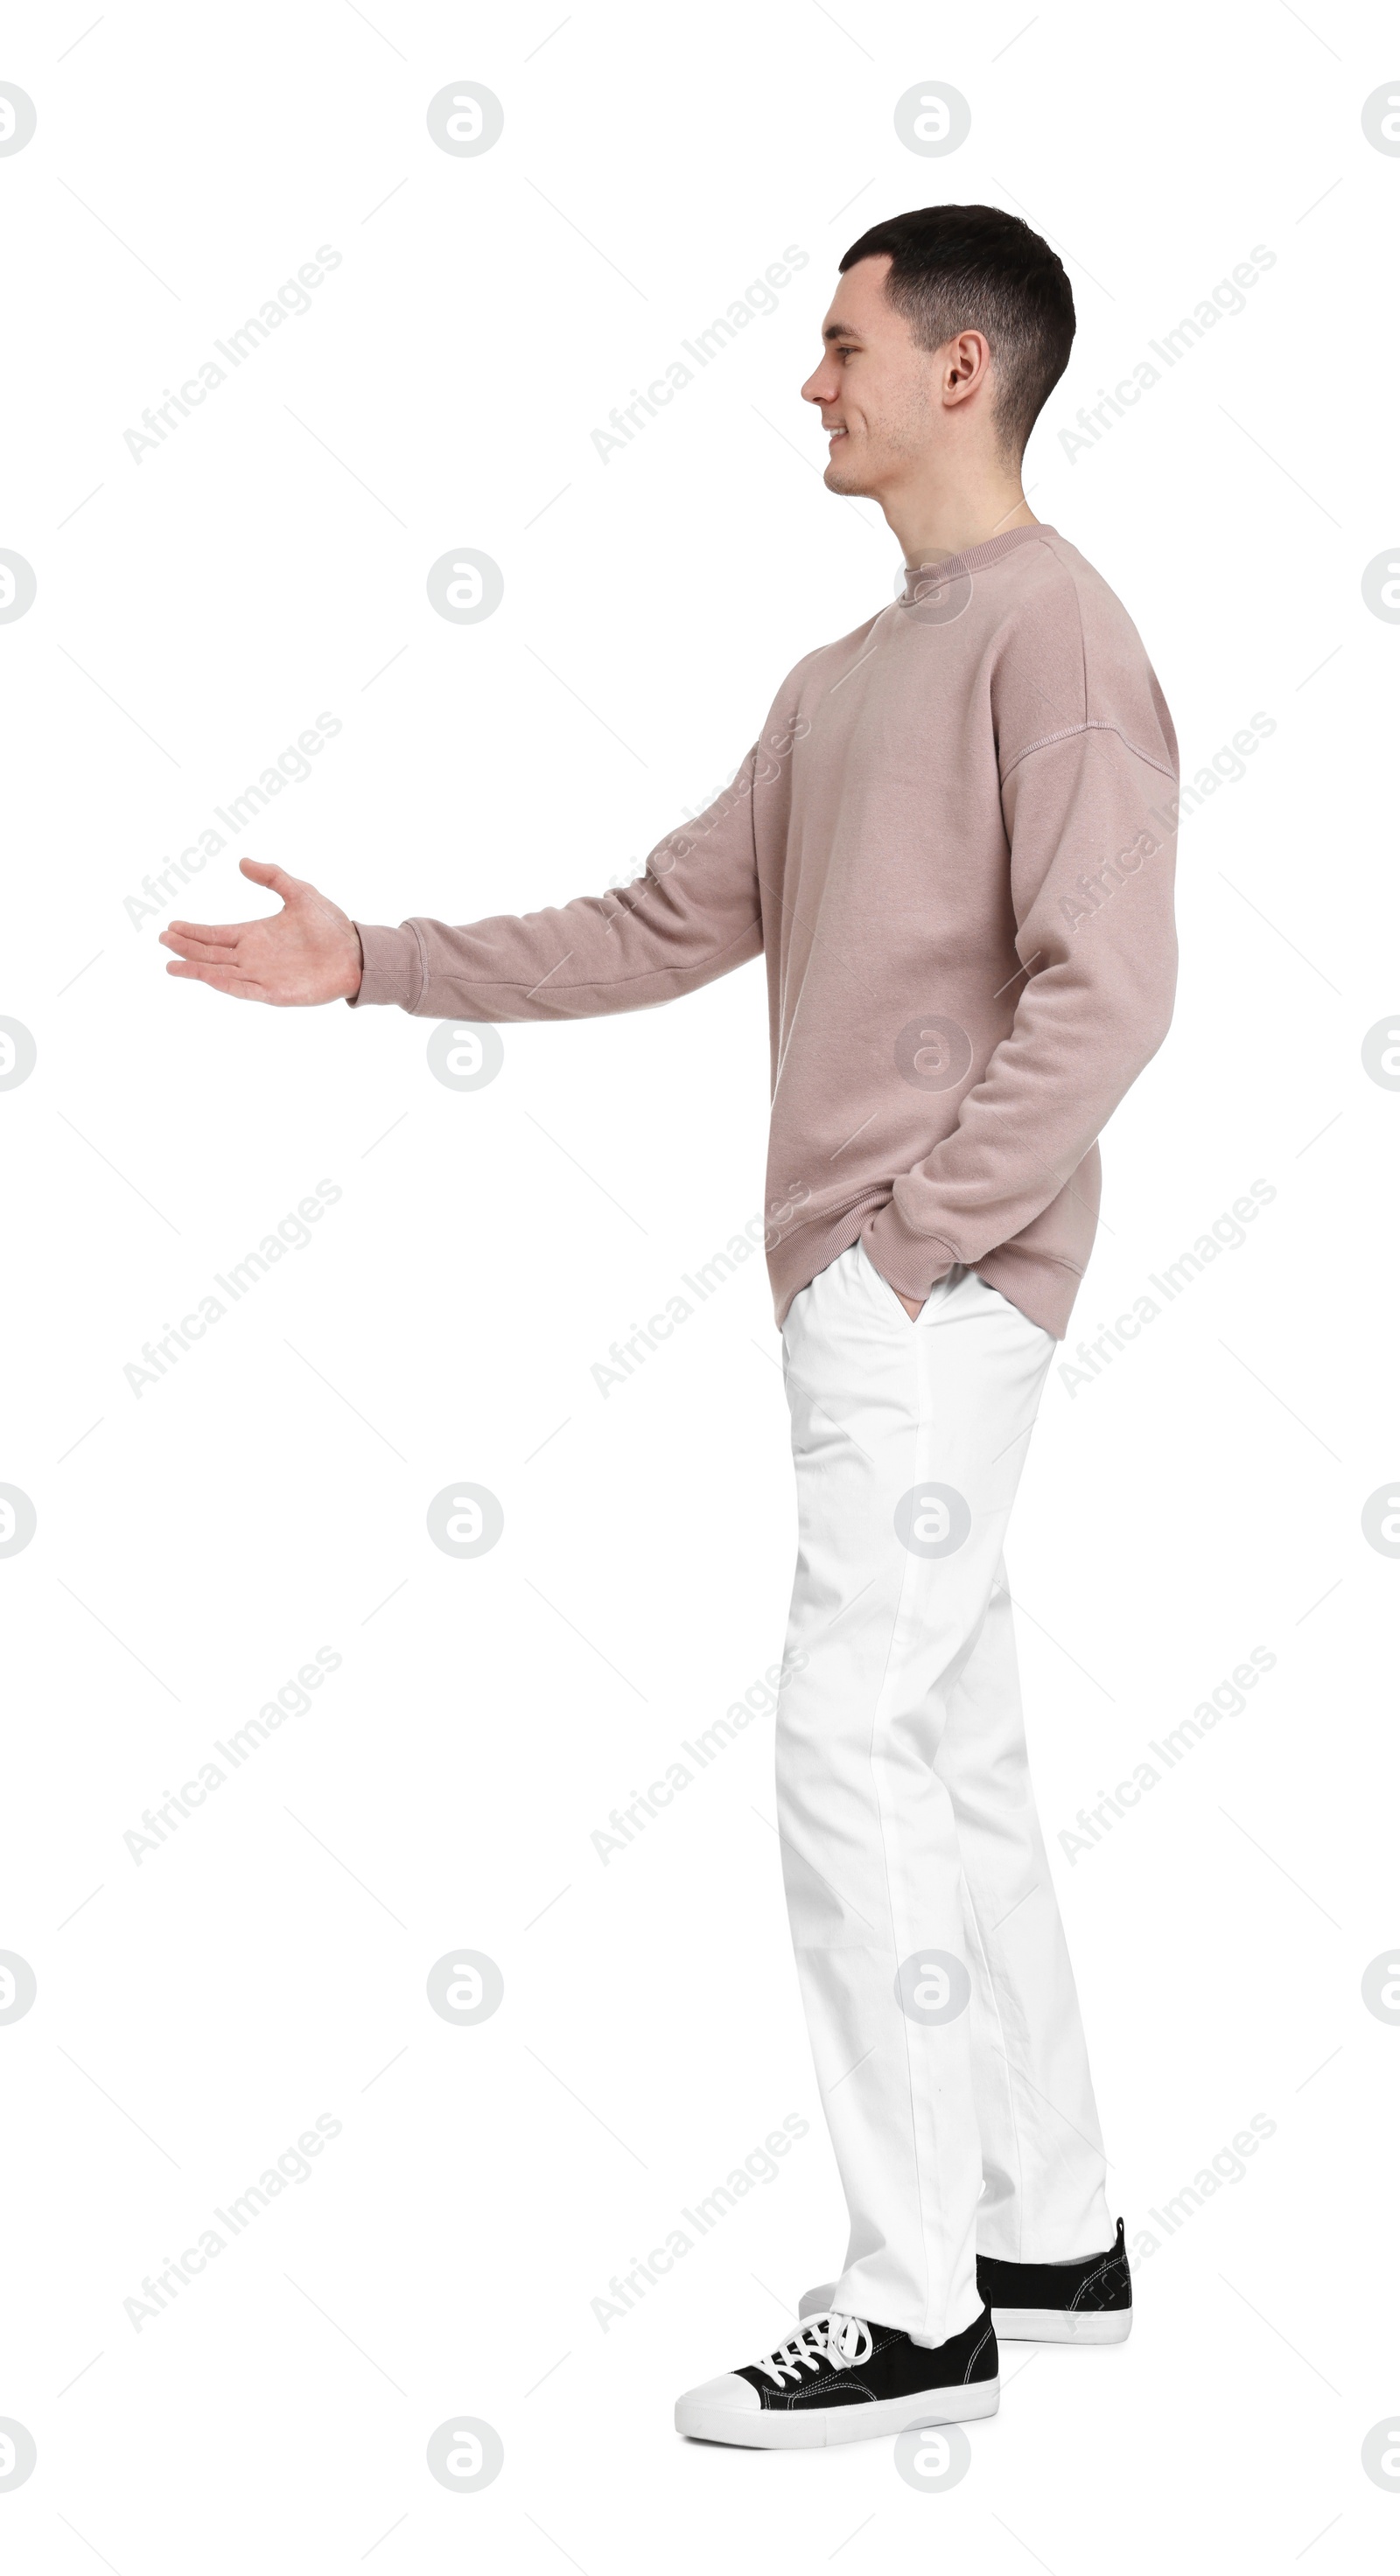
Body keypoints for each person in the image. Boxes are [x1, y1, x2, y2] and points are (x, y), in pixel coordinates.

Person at [161, 203, 1178, 2451]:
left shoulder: (1059, 640)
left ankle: (914, 2309)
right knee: (949, 1744)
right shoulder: (837, 685)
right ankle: (1048, 2229)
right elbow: (654, 923)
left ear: (959, 371)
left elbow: (1110, 992)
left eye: (839, 345)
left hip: (922, 1294)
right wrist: (379, 963)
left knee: (845, 1746)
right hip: (881, 1291)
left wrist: (915, 1241)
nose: (804, 383)